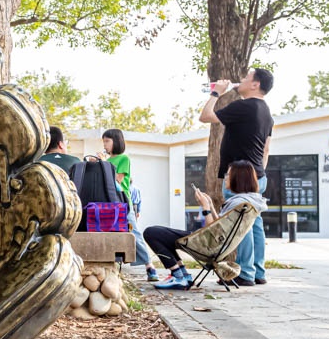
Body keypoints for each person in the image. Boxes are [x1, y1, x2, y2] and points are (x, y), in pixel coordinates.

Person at [200, 68, 274, 286]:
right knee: (255, 223)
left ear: (255, 84)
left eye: (245, 78)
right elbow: (267, 150)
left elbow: (205, 116)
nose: (240, 81)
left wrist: (216, 93)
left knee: (241, 224)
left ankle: (246, 273)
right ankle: (258, 272)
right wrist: (257, 174)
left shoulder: (245, 106)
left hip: (239, 178)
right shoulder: (266, 112)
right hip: (257, 177)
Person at [144, 161, 268, 290]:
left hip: (209, 244)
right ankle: (182, 274)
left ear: (238, 179)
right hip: (219, 245)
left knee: (151, 233)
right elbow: (219, 225)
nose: (225, 177)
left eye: (229, 174)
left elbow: (213, 232)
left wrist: (205, 208)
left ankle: (178, 275)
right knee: (162, 234)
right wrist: (211, 206)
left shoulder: (238, 202)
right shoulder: (249, 201)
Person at [102, 128, 159, 282]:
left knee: (134, 233)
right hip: (108, 202)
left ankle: (149, 266)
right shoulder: (106, 162)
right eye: (104, 142)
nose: (105, 145)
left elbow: (117, 180)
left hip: (122, 201)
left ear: (117, 141)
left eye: (107, 141)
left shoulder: (123, 159)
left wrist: (102, 165)